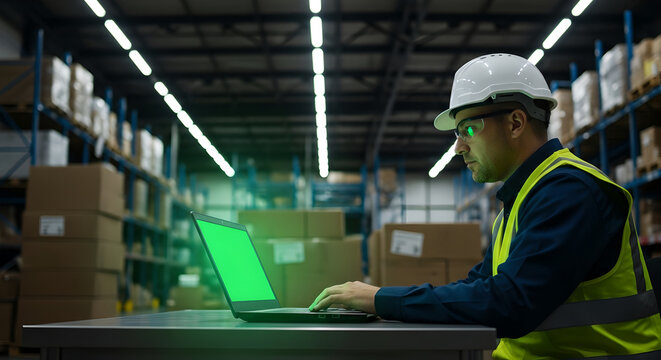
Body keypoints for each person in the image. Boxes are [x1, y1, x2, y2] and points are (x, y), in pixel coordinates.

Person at [309, 53, 661, 358]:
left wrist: (381, 299)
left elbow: (509, 303)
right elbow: (479, 289)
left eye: (468, 130)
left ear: (516, 123)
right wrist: (383, 299)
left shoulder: (570, 191)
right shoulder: (522, 199)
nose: (460, 147)